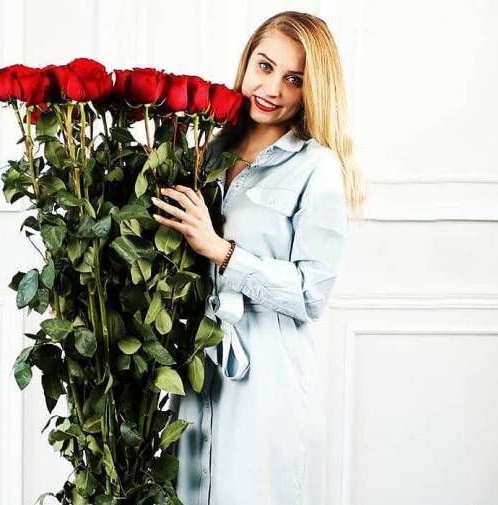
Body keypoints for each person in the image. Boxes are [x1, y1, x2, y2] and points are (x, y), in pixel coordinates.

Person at [150, 11, 366, 505]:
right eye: (265, 67)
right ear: (247, 61)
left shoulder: (316, 167)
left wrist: (223, 252)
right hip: (192, 369)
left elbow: (311, 295)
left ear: (312, 89)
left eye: (294, 79)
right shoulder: (208, 148)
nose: (273, 89)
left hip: (266, 381)